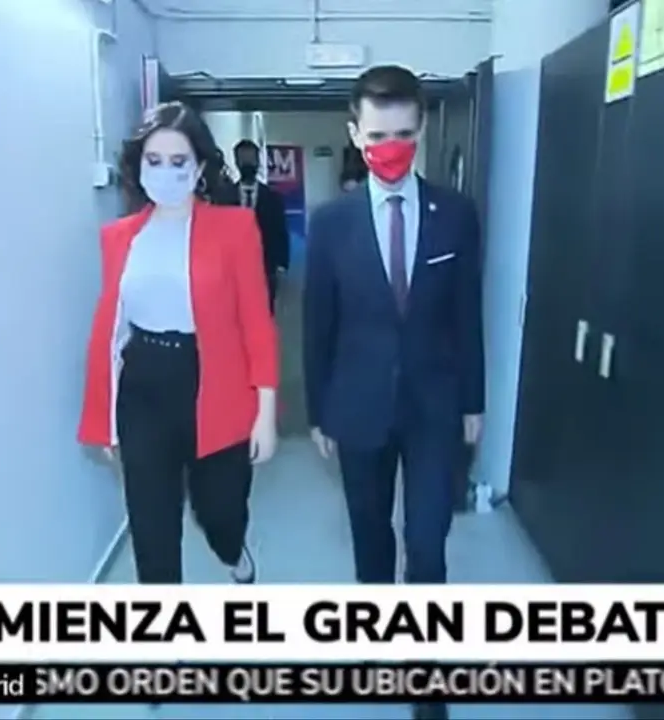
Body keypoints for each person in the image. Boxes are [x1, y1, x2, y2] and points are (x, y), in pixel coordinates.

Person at [302, 65, 484, 720]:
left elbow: (467, 315)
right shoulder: (331, 224)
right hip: (357, 405)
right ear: (355, 132)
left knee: (428, 544)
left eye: (403, 133)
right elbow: (317, 324)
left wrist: (474, 402)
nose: (391, 147)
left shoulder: (455, 215)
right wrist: (318, 411)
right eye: (378, 135)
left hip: (435, 407)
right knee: (371, 536)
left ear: (422, 128)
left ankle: (427, 685)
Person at [78, 101, 279, 585]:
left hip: (215, 382)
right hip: (144, 385)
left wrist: (265, 413)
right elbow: (112, 328)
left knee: (221, 513)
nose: (165, 172)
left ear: (199, 166)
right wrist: (103, 418)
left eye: (178, 161)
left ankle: (234, 552)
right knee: (152, 528)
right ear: (138, 165)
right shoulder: (119, 237)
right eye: (154, 161)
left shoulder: (234, 229)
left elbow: (256, 322)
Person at [230, 140, 290, 313]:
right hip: (233, 269)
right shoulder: (225, 196)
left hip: (265, 267)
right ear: (236, 162)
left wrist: (281, 264)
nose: (247, 164)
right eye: (243, 159)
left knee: (263, 312)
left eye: (251, 159)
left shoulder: (273, 198)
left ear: (258, 161)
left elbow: (280, 231)